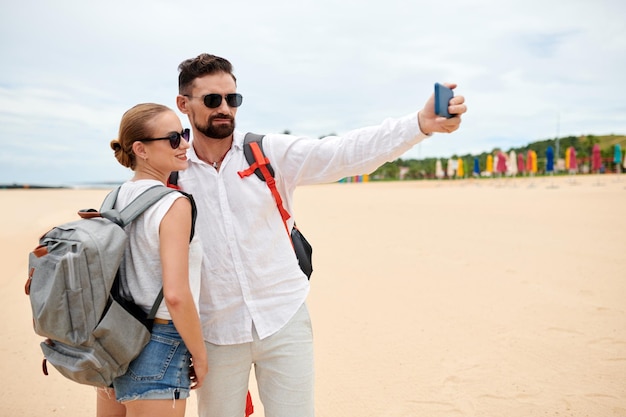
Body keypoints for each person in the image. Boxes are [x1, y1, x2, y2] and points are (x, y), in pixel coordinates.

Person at [174, 53, 467, 417]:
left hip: (283, 318)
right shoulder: (173, 172)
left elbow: (344, 153)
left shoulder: (266, 152)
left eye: (232, 99)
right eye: (212, 100)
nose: (225, 108)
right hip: (215, 333)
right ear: (183, 104)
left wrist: (419, 124)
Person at [97, 103, 208, 417]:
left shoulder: (113, 199)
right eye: (173, 138)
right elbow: (175, 294)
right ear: (140, 149)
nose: (185, 144)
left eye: (183, 134)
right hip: (159, 342)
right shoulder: (174, 203)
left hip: (113, 341)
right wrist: (199, 355)